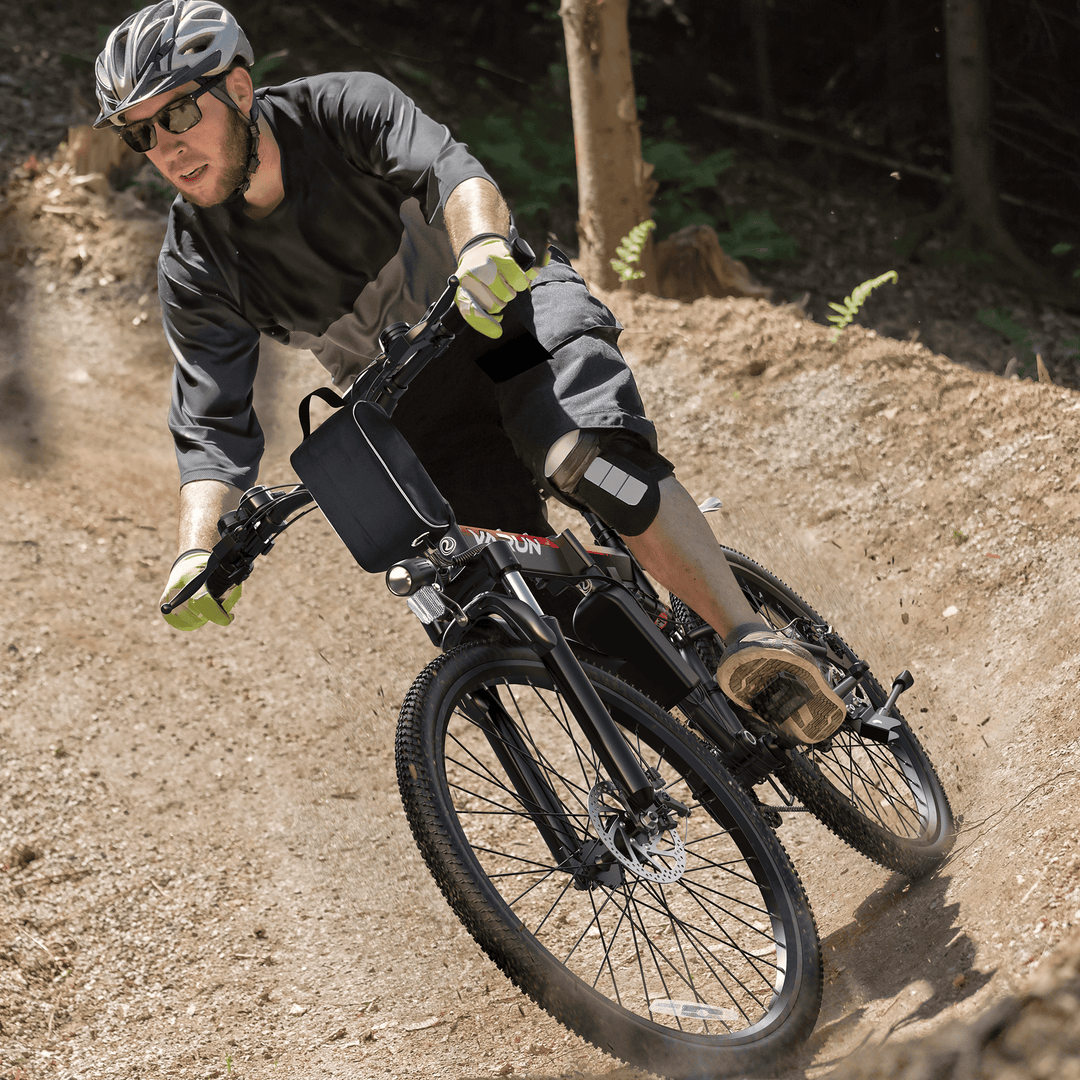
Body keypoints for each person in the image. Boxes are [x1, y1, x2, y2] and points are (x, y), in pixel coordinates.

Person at [93, 0, 845, 746]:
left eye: (182, 111)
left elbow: (454, 174)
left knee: (583, 458)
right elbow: (210, 420)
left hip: (496, 329)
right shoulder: (195, 261)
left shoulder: (338, 108)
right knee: (502, 595)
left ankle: (749, 639)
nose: (166, 145)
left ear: (239, 90)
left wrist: (482, 247)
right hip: (408, 406)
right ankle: (686, 731)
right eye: (142, 132)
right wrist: (198, 547)